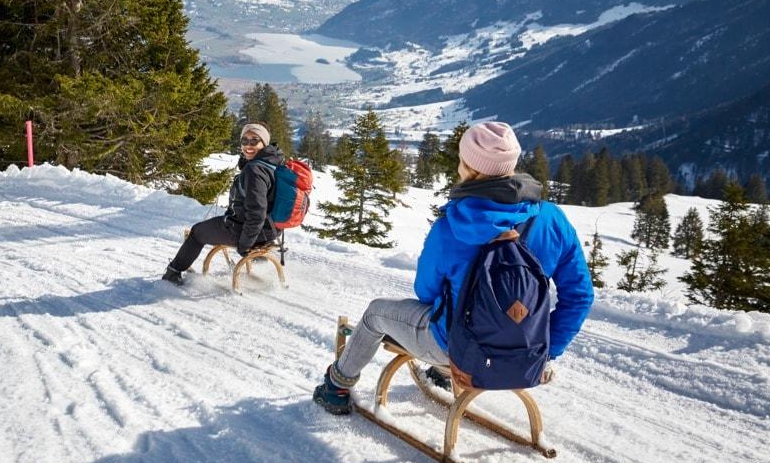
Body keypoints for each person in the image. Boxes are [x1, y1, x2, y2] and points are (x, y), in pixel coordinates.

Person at [313, 121, 594, 414]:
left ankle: (337, 385)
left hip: (456, 348)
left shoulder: (453, 225)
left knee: (375, 314)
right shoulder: (552, 219)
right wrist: (546, 351)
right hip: (526, 354)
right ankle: (442, 374)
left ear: (470, 168)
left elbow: (425, 292)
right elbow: (580, 296)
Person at [162, 123, 284, 285]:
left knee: (197, 233)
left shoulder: (254, 170)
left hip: (243, 230)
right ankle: (259, 265)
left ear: (264, 144)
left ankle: (173, 273)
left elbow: (256, 213)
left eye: (254, 141)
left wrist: (245, 245)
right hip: (271, 230)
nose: (248, 145)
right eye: (244, 141)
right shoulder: (272, 163)